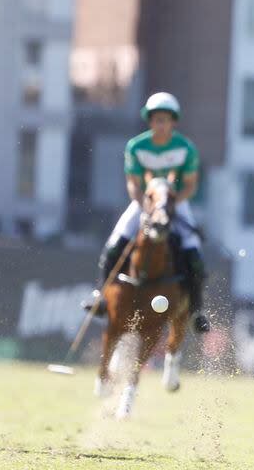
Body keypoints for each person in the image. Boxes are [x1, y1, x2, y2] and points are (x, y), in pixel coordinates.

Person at [83, 92, 210, 333]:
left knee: (193, 250)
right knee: (115, 243)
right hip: (144, 202)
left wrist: (169, 205)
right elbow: (132, 183)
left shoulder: (186, 148)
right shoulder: (136, 146)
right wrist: (146, 204)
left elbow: (191, 185)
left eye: (165, 119)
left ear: (173, 121)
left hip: (176, 203)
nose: (160, 124)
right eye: (156, 119)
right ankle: (100, 296)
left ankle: (196, 310)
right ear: (150, 121)